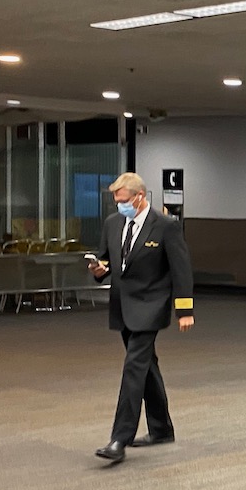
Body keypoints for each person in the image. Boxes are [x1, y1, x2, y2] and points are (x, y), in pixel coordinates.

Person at [87, 173, 194, 465]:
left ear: (139, 197)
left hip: (151, 306)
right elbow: (108, 259)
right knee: (146, 366)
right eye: (116, 201)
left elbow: (181, 271)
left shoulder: (166, 226)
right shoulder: (112, 223)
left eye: (123, 201)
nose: (119, 206)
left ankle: (119, 439)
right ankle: (161, 429)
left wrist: (184, 310)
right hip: (122, 305)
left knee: (133, 368)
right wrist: (99, 270)